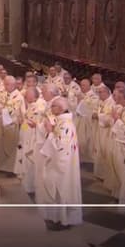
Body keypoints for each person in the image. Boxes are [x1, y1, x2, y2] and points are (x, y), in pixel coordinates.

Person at [36, 97, 82, 230]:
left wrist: (50, 131)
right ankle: (56, 217)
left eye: (54, 106)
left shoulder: (66, 124)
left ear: (61, 108)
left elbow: (61, 147)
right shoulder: (62, 121)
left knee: (61, 188)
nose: (51, 109)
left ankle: (63, 219)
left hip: (62, 165)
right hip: (58, 162)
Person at [15, 87, 45, 195]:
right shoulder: (32, 104)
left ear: (34, 95)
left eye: (27, 94)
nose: (25, 96)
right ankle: (26, 184)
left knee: (30, 161)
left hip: (32, 138)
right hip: (25, 135)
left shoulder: (40, 105)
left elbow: (38, 119)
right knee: (25, 160)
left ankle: (30, 186)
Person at [0, 76, 23, 176]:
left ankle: (11, 169)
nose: (5, 86)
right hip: (2, 122)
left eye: (7, 84)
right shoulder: (3, 93)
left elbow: (15, 110)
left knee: (11, 146)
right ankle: (2, 166)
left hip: (12, 124)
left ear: (13, 85)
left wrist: (2, 110)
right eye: (5, 84)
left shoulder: (18, 96)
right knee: (2, 144)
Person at [74, 79, 98, 163]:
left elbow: (92, 109)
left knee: (84, 141)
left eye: (83, 85)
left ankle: (87, 160)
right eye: (81, 85)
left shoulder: (93, 96)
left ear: (89, 86)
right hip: (78, 120)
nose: (81, 87)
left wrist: (82, 101)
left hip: (87, 122)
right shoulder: (80, 94)